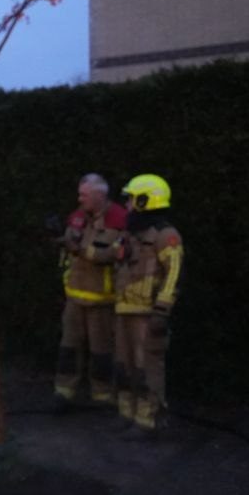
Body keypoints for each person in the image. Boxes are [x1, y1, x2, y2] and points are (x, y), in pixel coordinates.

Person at [114, 174, 183, 439]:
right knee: (124, 366)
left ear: (145, 200)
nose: (128, 205)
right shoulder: (130, 234)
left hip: (147, 315)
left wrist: (162, 311)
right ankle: (127, 414)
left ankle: (147, 420)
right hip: (125, 310)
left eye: (131, 199)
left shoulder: (166, 236)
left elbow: (174, 273)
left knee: (147, 369)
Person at [54, 173, 127, 407]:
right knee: (68, 348)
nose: (79, 199)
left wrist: (80, 249)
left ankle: (102, 396)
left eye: (84, 194)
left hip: (102, 301)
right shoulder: (76, 217)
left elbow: (113, 254)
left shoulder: (119, 220)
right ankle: (64, 393)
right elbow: (67, 250)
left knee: (102, 352)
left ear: (100, 195)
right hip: (74, 298)